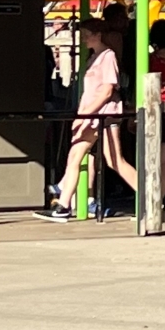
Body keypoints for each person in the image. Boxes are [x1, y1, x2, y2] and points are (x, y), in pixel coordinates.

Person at [43, 18, 137, 220]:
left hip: (101, 114)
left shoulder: (108, 56)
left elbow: (106, 90)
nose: (84, 39)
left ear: (98, 35)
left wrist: (85, 115)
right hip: (93, 114)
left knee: (110, 159)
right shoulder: (94, 57)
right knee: (87, 156)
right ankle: (64, 201)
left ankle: (64, 200)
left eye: (87, 35)